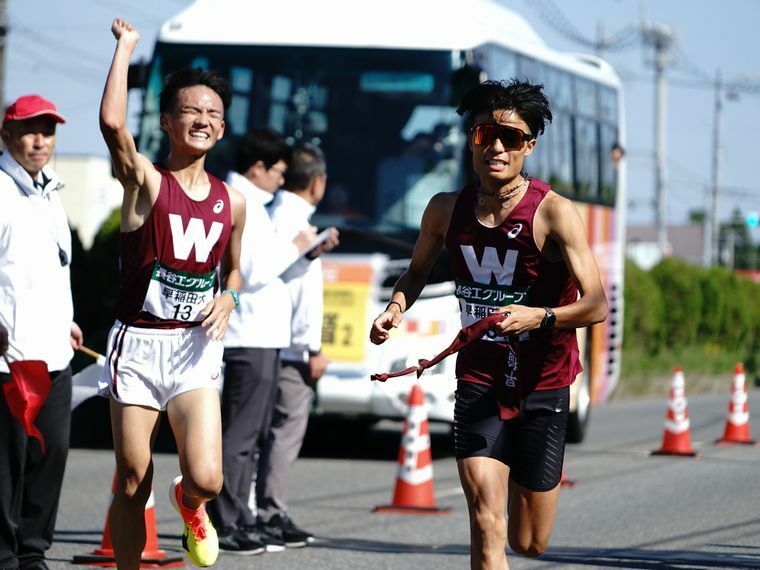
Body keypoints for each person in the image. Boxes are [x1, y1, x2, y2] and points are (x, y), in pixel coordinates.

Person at [369, 79, 608, 569]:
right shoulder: (444, 209)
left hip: (544, 385)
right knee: (484, 519)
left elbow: (597, 304)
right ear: (471, 140)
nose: (496, 146)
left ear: (529, 146)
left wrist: (540, 317)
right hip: (480, 380)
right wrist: (396, 307)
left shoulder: (554, 214)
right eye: (484, 135)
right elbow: (416, 271)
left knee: (530, 541)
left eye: (511, 137)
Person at [98, 19, 245, 569]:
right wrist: (126, 49)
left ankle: (190, 505)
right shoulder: (145, 181)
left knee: (208, 477)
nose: (202, 120)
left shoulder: (234, 201)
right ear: (166, 121)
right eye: (190, 111)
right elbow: (113, 122)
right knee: (134, 479)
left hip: (193, 348)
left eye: (212, 113)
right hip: (137, 345)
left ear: (223, 128)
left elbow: (234, 271)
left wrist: (230, 297)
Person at [206, 129, 318, 555]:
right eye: (278, 172)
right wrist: (296, 245)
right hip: (247, 333)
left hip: (264, 334)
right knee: (240, 434)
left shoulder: (255, 202)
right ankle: (227, 519)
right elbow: (249, 271)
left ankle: (242, 515)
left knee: (251, 434)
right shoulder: (241, 201)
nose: (281, 181)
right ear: (257, 168)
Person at [0, 94, 83, 570]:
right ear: (7, 135)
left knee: (50, 453)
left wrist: (66, 319)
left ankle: (33, 550)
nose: (40, 140)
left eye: (48, 131)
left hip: (54, 351)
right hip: (10, 354)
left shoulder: (49, 190)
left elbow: (52, 268)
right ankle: (5, 552)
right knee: (8, 460)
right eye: (30, 130)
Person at [256, 144, 338, 547]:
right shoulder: (299, 224)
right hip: (290, 347)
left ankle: (252, 511)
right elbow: (302, 294)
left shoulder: (272, 213)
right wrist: (312, 348)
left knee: (258, 432)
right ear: (318, 182)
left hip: (264, 342)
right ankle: (270, 512)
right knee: (284, 432)